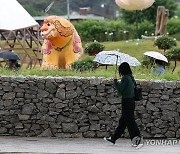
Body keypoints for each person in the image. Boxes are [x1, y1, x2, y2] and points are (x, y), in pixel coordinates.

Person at [104, 62, 143, 148]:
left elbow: (121, 89)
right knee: (123, 121)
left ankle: (137, 139)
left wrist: (115, 82)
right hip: (131, 101)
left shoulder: (125, 78)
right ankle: (114, 138)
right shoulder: (131, 77)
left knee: (130, 121)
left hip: (126, 101)